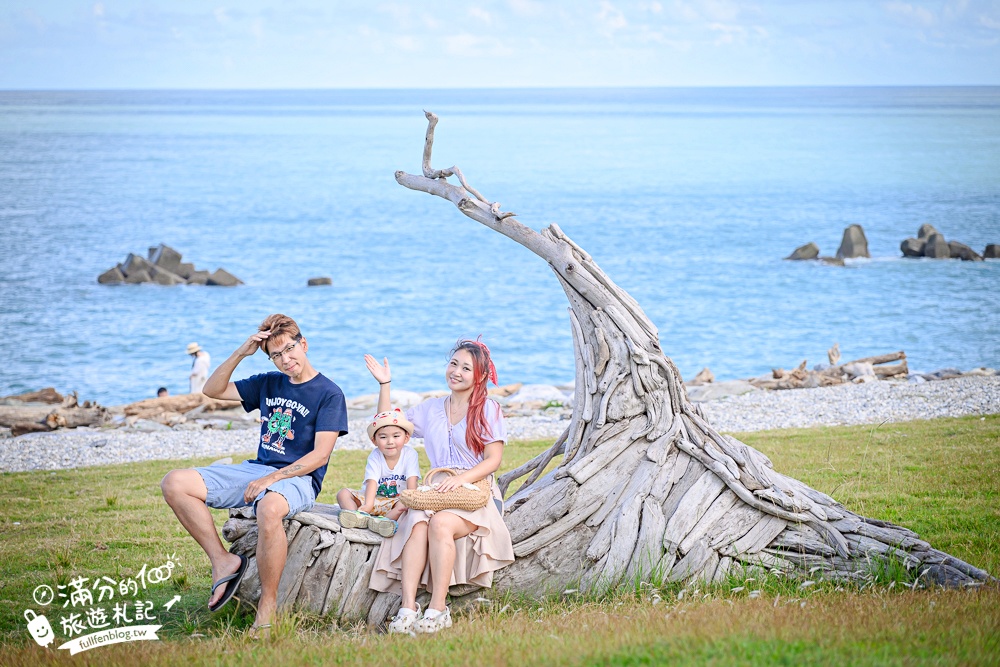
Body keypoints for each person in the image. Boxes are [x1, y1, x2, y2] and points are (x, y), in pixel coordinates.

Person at [161, 314, 348, 637]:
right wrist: (241, 352)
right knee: (175, 483)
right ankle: (223, 561)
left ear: (303, 344)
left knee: (269, 507)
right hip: (258, 468)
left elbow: (320, 455)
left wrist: (272, 481)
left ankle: (268, 605)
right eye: (276, 355)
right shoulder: (267, 383)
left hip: (300, 479)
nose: (285, 359)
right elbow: (212, 389)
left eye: (290, 350)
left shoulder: (329, 393)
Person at [365, 339, 514, 635]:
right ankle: (408, 608)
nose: (456, 371)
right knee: (417, 522)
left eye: (466, 368)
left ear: (480, 376)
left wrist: (461, 478)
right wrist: (385, 385)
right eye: (453, 364)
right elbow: (388, 424)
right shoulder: (431, 408)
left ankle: (438, 609)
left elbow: (493, 459)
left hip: (476, 493)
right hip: (435, 491)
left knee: (442, 524)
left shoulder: (488, 408)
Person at [337, 408, 421, 537]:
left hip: (395, 502)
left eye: (396, 436)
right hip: (373, 499)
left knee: (404, 503)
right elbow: (372, 481)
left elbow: (412, 480)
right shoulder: (375, 455)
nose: (390, 441)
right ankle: (358, 517)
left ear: (406, 438)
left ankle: (382, 522)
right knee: (343, 494)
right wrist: (368, 505)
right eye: (383, 437)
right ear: (374, 440)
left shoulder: (410, 454)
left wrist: (412, 500)